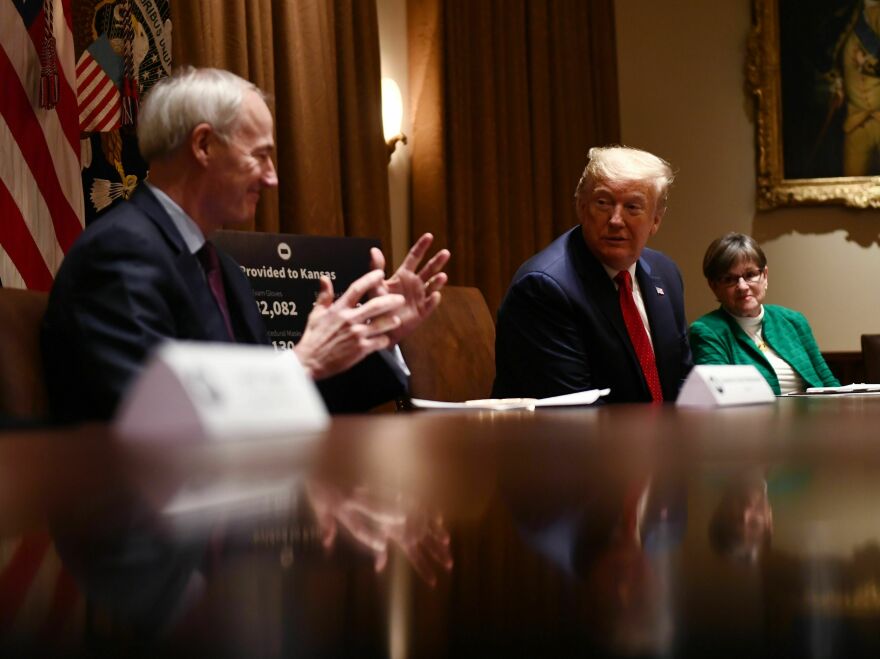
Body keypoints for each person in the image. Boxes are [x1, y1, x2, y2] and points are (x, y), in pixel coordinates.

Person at [41, 67, 450, 423]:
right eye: (260, 157)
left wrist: (377, 337)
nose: (272, 179)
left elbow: (285, 406)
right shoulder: (117, 254)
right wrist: (297, 365)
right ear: (203, 146)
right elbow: (148, 422)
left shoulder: (226, 271)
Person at [492, 145, 692, 403]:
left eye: (632, 207)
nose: (616, 220)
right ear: (582, 207)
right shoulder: (543, 288)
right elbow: (574, 410)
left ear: (656, 220)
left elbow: (684, 381)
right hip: (568, 441)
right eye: (603, 203)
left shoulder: (666, 273)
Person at [689, 233, 839, 395]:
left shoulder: (793, 321)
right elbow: (721, 397)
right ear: (714, 286)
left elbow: (828, 382)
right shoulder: (706, 331)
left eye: (750, 275)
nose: (742, 286)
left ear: (765, 276)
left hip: (816, 418)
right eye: (729, 279)